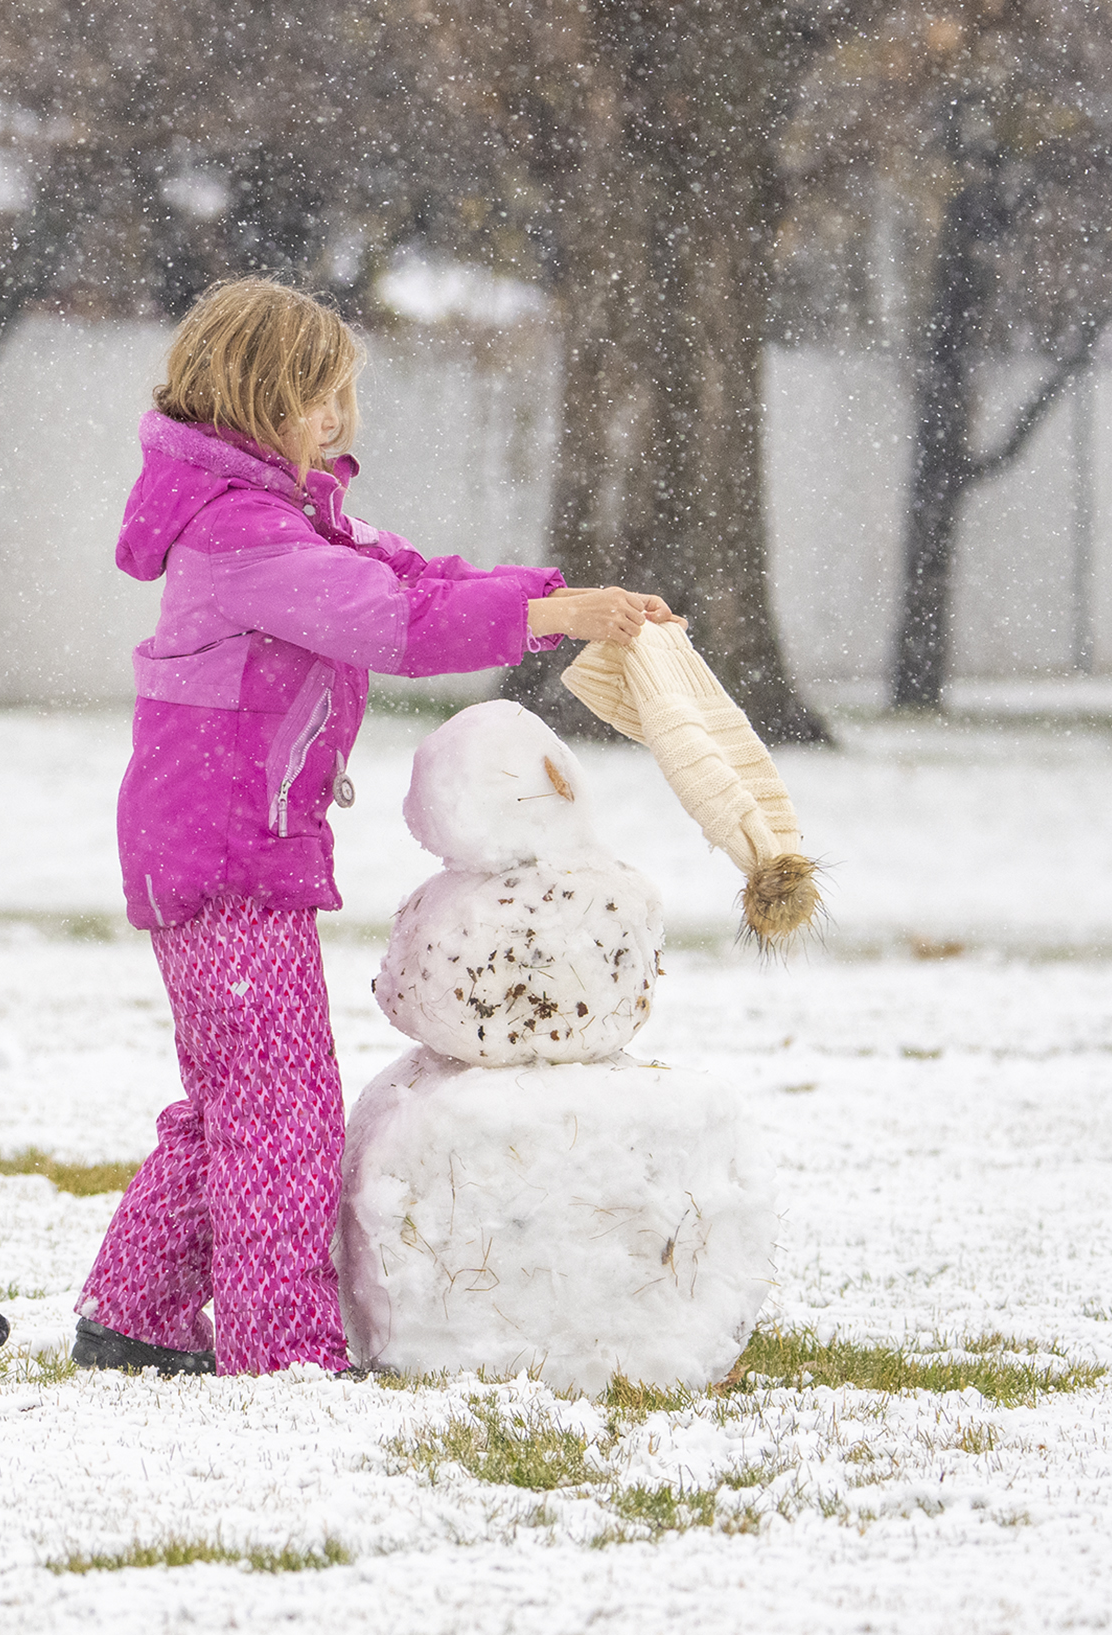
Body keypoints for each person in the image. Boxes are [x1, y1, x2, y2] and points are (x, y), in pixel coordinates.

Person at [72, 278, 679, 1378]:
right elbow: (397, 623)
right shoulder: (244, 533)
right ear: (263, 401)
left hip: (224, 847)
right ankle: (284, 1354)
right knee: (280, 1118)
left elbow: (413, 574)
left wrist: (560, 598)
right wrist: (551, 619)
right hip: (227, 861)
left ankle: (134, 1314)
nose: (337, 426)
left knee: (232, 1100)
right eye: (321, 403)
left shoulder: (286, 514)